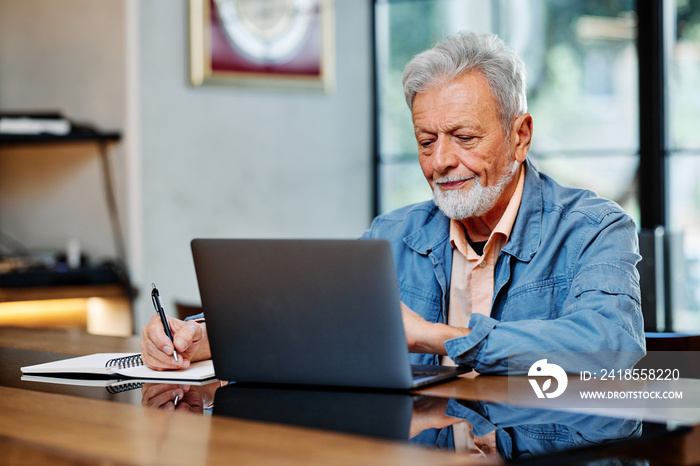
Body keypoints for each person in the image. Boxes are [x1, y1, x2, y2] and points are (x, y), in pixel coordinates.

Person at [141, 30, 645, 373]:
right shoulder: (393, 234)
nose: (440, 162)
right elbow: (313, 317)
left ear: (520, 136)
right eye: (426, 142)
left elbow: (612, 348)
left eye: (464, 137)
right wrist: (204, 338)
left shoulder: (594, 229)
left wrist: (433, 336)